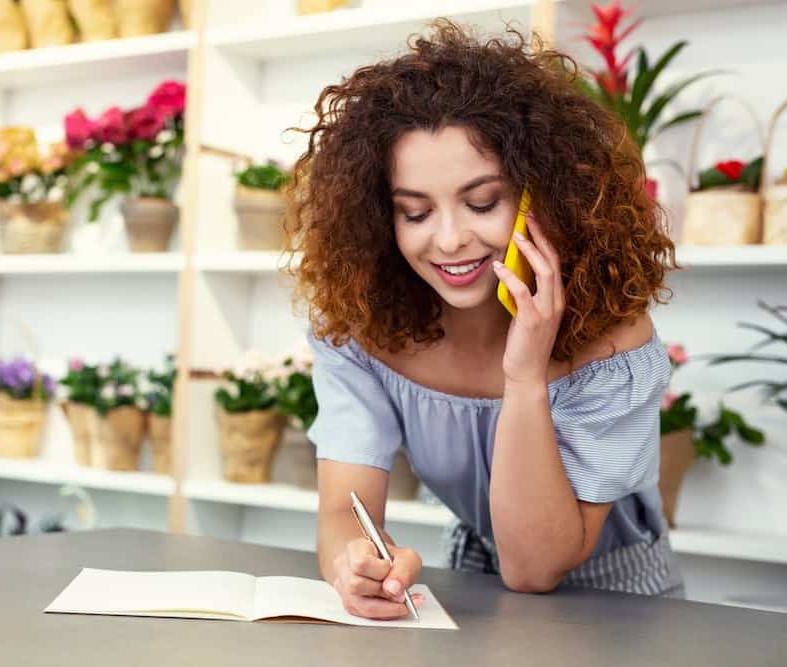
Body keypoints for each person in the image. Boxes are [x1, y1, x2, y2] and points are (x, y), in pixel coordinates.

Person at [283, 20, 682, 620]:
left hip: (620, 604)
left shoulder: (613, 341)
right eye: (414, 213)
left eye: (481, 203)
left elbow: (534, 567)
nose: (448, 240)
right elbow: (345, 510)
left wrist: (524, 375)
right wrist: (355, 563)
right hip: (474, 590)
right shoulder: (364, 332)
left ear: (542, 193)